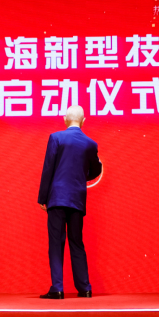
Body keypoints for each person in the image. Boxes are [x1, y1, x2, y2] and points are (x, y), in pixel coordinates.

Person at [37, 105, 102, 299]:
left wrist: (42, 197)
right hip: (77, 198)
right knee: (76, 242)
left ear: (65, 119)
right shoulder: (90, 144)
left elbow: (48, 168)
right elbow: (96, 170)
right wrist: (81, 176)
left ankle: (57, 288)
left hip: (57, 197)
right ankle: (85, 288)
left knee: (56, 243)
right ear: (83, 121)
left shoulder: (56, 138)